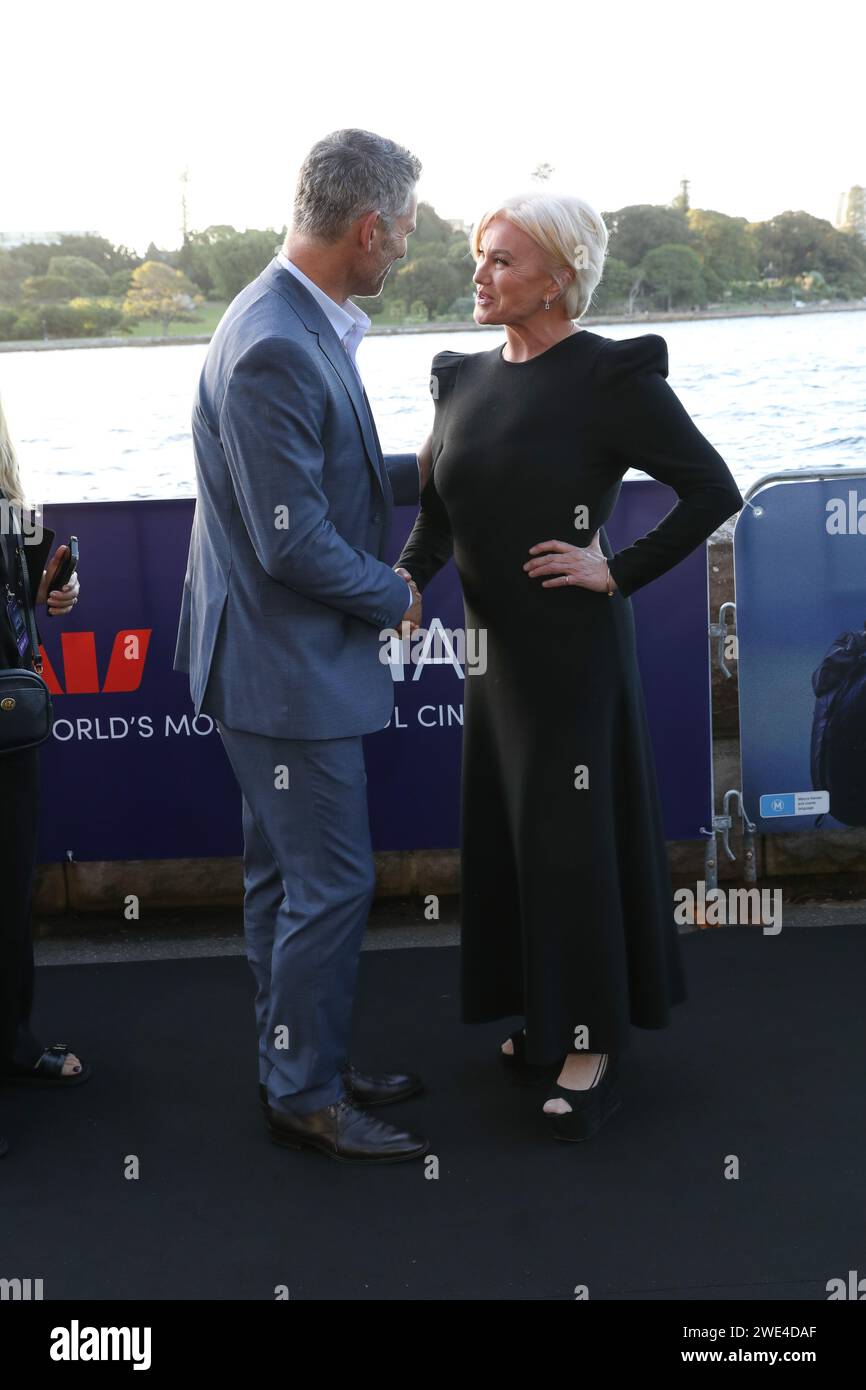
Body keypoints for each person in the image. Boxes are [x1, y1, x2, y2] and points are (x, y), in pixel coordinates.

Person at [396, 190, 744, 1142]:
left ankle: (590, 1042)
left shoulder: (610, 376)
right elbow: (440, 512)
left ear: (559, 276)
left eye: (502, 260)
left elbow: (712, 487)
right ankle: (542, 1019)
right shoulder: (457, 377)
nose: (481, 273)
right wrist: (407, 580)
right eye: (480, 256)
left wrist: (614, 569)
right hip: (494, 659)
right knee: (515, 838)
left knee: (573, 841)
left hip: (571, 655)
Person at [174, 129, 434, 1165]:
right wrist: (395, 593)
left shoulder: (284, 314)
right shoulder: (278, 339)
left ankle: (297, 1057)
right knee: (328, 883)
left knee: (283, 883)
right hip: (281, 670)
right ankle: (305, 1092)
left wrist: (445, 460)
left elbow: (330, 472)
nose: (408, 249)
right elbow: (293, 544)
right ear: (368, 227)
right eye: (406, 230)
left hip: (259, 664)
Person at [0, 395, 85, 1158]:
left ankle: (15, 1045)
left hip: (11, 726)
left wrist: (57, 593)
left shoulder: (9, 507)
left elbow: (30, 605)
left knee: (10, 892)